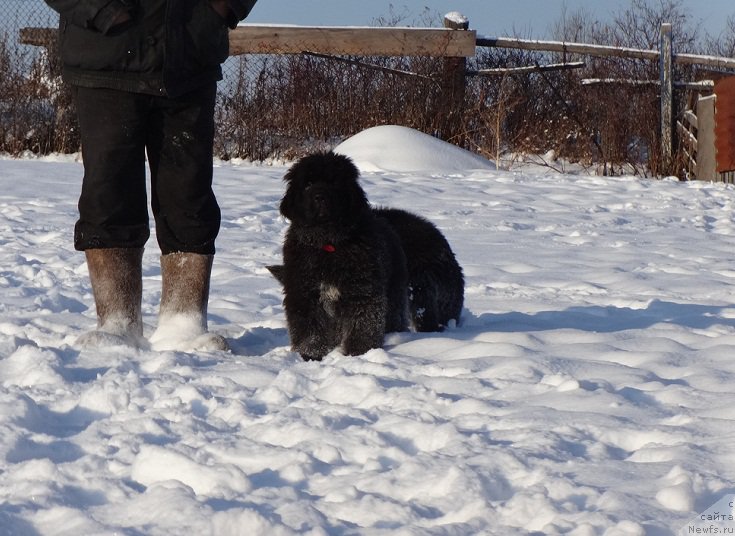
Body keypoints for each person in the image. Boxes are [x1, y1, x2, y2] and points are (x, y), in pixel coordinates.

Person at [44, 0, 258, 351]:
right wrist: (100, 9)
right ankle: (117, 322)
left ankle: (184, 321)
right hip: (107, 55)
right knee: (109, 191)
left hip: (188, 55)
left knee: (189, 193)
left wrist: (221, 7)